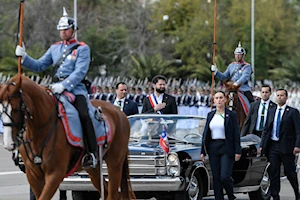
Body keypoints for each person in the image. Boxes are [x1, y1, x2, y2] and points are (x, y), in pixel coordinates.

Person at [15, 8, 97, 168]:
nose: (63, 32)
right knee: (33, 112)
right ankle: (26, 150)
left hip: (75, 88)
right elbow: (39, 65)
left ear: (73, 30)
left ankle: (90, 153)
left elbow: (80, 72)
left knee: (84, 115)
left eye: (66, 29)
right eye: (61, 30)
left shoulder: (82, 48)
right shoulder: (55, 48)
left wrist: (64, 85)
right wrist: (24, 57)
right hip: (55, 87)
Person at [259, 89, 300, 200]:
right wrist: (262, 145)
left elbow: (298, 130)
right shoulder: (271, 110)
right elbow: (266, 129)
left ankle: (297, 191)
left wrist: (297, 145)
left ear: (286, 97)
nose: (279, 97)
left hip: (287, 147)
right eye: (278, 95)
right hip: (273, 146)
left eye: (282, 95)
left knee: (289, 171)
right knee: (274, 172)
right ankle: (275, 195)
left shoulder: (292, 112)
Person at [200, 91, 241, 200]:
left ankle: (231, 195)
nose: (218, 100)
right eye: (216, 98)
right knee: (216, 178)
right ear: (214, 100)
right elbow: (206, 134)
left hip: (227, 147)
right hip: (213, 147)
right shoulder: (210, 114)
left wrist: (238, 151)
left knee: (224, 176)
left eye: (221, 98)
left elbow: (236, 134)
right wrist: (202, 151)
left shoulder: (231, 115)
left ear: (225, 100)